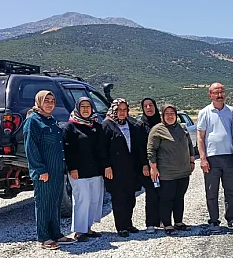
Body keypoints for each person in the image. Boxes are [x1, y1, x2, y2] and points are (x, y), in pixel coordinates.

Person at [23, 90, 75, 250]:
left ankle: (56, 233)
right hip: (44, 171)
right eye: (46, 100)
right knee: (44, 203)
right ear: (39, 102)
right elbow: (31, 148)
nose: (50, 104)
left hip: (57, 170)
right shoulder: (33, 121)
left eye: (52, 101)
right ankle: (44, 237)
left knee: (55, 202)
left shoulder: (51, 120)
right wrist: (40, 170)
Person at [102, 98, 149, 237]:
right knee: (119, 198)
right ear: (114, 110)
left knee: (130, 197)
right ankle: (121, 226)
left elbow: (139, 147)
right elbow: (102, 149)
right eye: (119, 110)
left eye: (124, 110)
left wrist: (143, 164)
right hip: (115, 169)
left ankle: (128, 224)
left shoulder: (131, 124)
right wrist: (106, 166)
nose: (122, 112)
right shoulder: (107, 125)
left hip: (131, 168)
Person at [63, 97, 108, 241]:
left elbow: (102, 149)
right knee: (82, 200)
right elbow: (68, 149)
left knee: (94, 200)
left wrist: (105, 167)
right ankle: (79, 231)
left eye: (88, 106)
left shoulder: (96, 126)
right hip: (79, 171)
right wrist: (72, 168)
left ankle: (88, 228)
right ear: (77, 108)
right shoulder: (70, 127)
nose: (86, 109)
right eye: (82, 106)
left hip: (96, 170)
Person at [197, 82, 233, 232]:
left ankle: (231, 218)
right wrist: (203, 158)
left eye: (221, 92)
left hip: (229, 157)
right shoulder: (204, 112)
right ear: (210, 95)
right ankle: (214, 221)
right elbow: (200, 137)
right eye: (216, 92)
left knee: (231, 191)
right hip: (212, 158)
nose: (219, 95)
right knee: (211, 192)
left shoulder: (232, 111)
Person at [148, 104, 195, 235]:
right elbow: (151, 150)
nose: (170, 116)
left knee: (180, 197)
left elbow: (189, 144)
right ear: (162, 115)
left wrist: (192, 160)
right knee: (167, 198)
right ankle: (167, 224)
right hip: (167, 173)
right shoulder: (157, 130)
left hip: (183, 170)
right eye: (167, 113)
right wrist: (153, 167)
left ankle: (178, 222)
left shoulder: (181, 128)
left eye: (172, 113)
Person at [136, 97, 161, 233]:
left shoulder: (161, 123)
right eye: (145, 106)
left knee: (163, 193)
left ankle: (162, 220)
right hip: (147, 166)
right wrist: (145, 165)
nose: (148, 108)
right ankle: (150, 223)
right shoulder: (140, 125)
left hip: (162, 164)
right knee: (151, 193)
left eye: (150, 105)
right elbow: (140, 147)